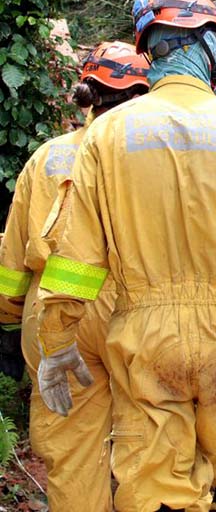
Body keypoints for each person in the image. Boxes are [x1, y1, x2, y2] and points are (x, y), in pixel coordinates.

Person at [34, 0, 216, 512]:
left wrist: (56, 339)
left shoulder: (106, 136)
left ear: (150, 49)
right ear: (212, 46)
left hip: (144, 340)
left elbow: (77, 258)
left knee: (156, 485)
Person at [0, 41, 150, 512]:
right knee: (149, 439)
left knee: (72, 446)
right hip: (134, 311)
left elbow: (13, 255)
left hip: (54, 313)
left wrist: (9, 321)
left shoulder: (46, 158)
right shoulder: (151, 160)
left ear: (89, 95)